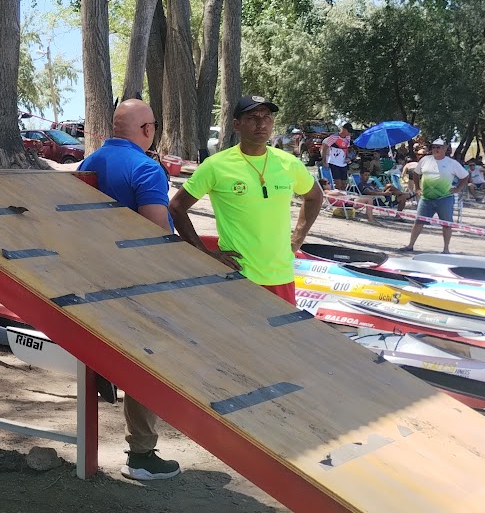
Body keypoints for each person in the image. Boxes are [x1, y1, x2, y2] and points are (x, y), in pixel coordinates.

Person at [75, 99, 182, 481]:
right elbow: (154, 235)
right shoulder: (146, 168)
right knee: (146, 362)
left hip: (91, 276)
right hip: (137, 282)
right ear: (148, 130)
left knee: (101, 355)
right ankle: (141, 455)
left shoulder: (88, 164)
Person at [170, 95, 325, 304]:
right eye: (253, 118)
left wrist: (296, 240)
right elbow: (177, 207)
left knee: (280, 337)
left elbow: (314, 197)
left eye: (267, 117)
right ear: (237, 124)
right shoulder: (216, 166)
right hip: (237, 276)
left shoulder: (289, 164)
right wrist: (203, 252)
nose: (261, 123)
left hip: (281, 276)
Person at [401, 138, 469, 254]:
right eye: (434, 147)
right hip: (426, 198)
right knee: (418, 221)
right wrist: (417, 188)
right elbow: (416, 173)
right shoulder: (425, 160)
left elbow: (465, 176)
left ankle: (446, 249)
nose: (435, 149)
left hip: (444, 198)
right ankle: (410, 245)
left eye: (438, 147)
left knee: (446, 223)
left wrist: (457, 188)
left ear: (445, 148)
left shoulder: (452, 163)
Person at [322, 123, 353, 189]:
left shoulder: (348, 138)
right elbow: (324, 148)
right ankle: (337, 198)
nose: (349, 133)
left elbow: (346, 149)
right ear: (344, 129)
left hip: (343, 163)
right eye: (348, 131)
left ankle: (343, 198)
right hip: (334, 163)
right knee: (338, 184)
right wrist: (325, 161)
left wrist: (348, 158)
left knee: (344, 184)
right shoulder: (333, 137)